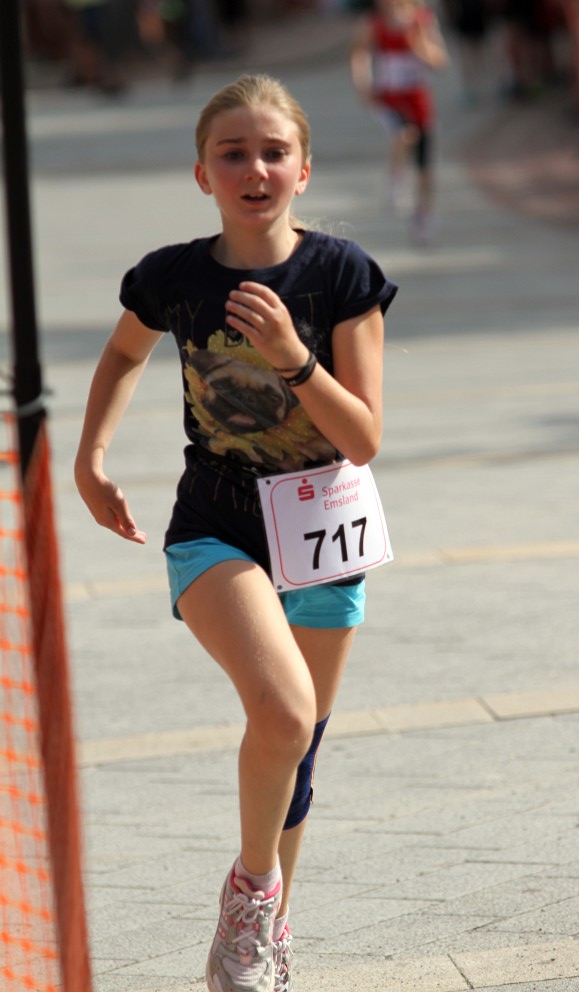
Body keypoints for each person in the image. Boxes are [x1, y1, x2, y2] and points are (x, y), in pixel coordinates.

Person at [74, 73, 397, 992]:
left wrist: (293, 358)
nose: (254, 169)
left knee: (299, 745)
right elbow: (124, 349)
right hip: (216, 523)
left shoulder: (340, 275)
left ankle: (262, 936)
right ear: (201, 174)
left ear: (303, 169)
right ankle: (251, 903)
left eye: (273, 152)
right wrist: (90, 458)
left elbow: (363, 437)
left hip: (325, 521)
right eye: (233, 153)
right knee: (283, 713)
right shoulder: (174, 276)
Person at [350, 0, 448, 243]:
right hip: (390, 97)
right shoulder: (375, 24)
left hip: (417, 98)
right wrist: (363, 83)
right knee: (403, 134)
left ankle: (423, 215)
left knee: (425, 165)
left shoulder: (423, 20)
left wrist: (422, 48)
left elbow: (440, 61)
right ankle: (396, 181)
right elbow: (359, 54)